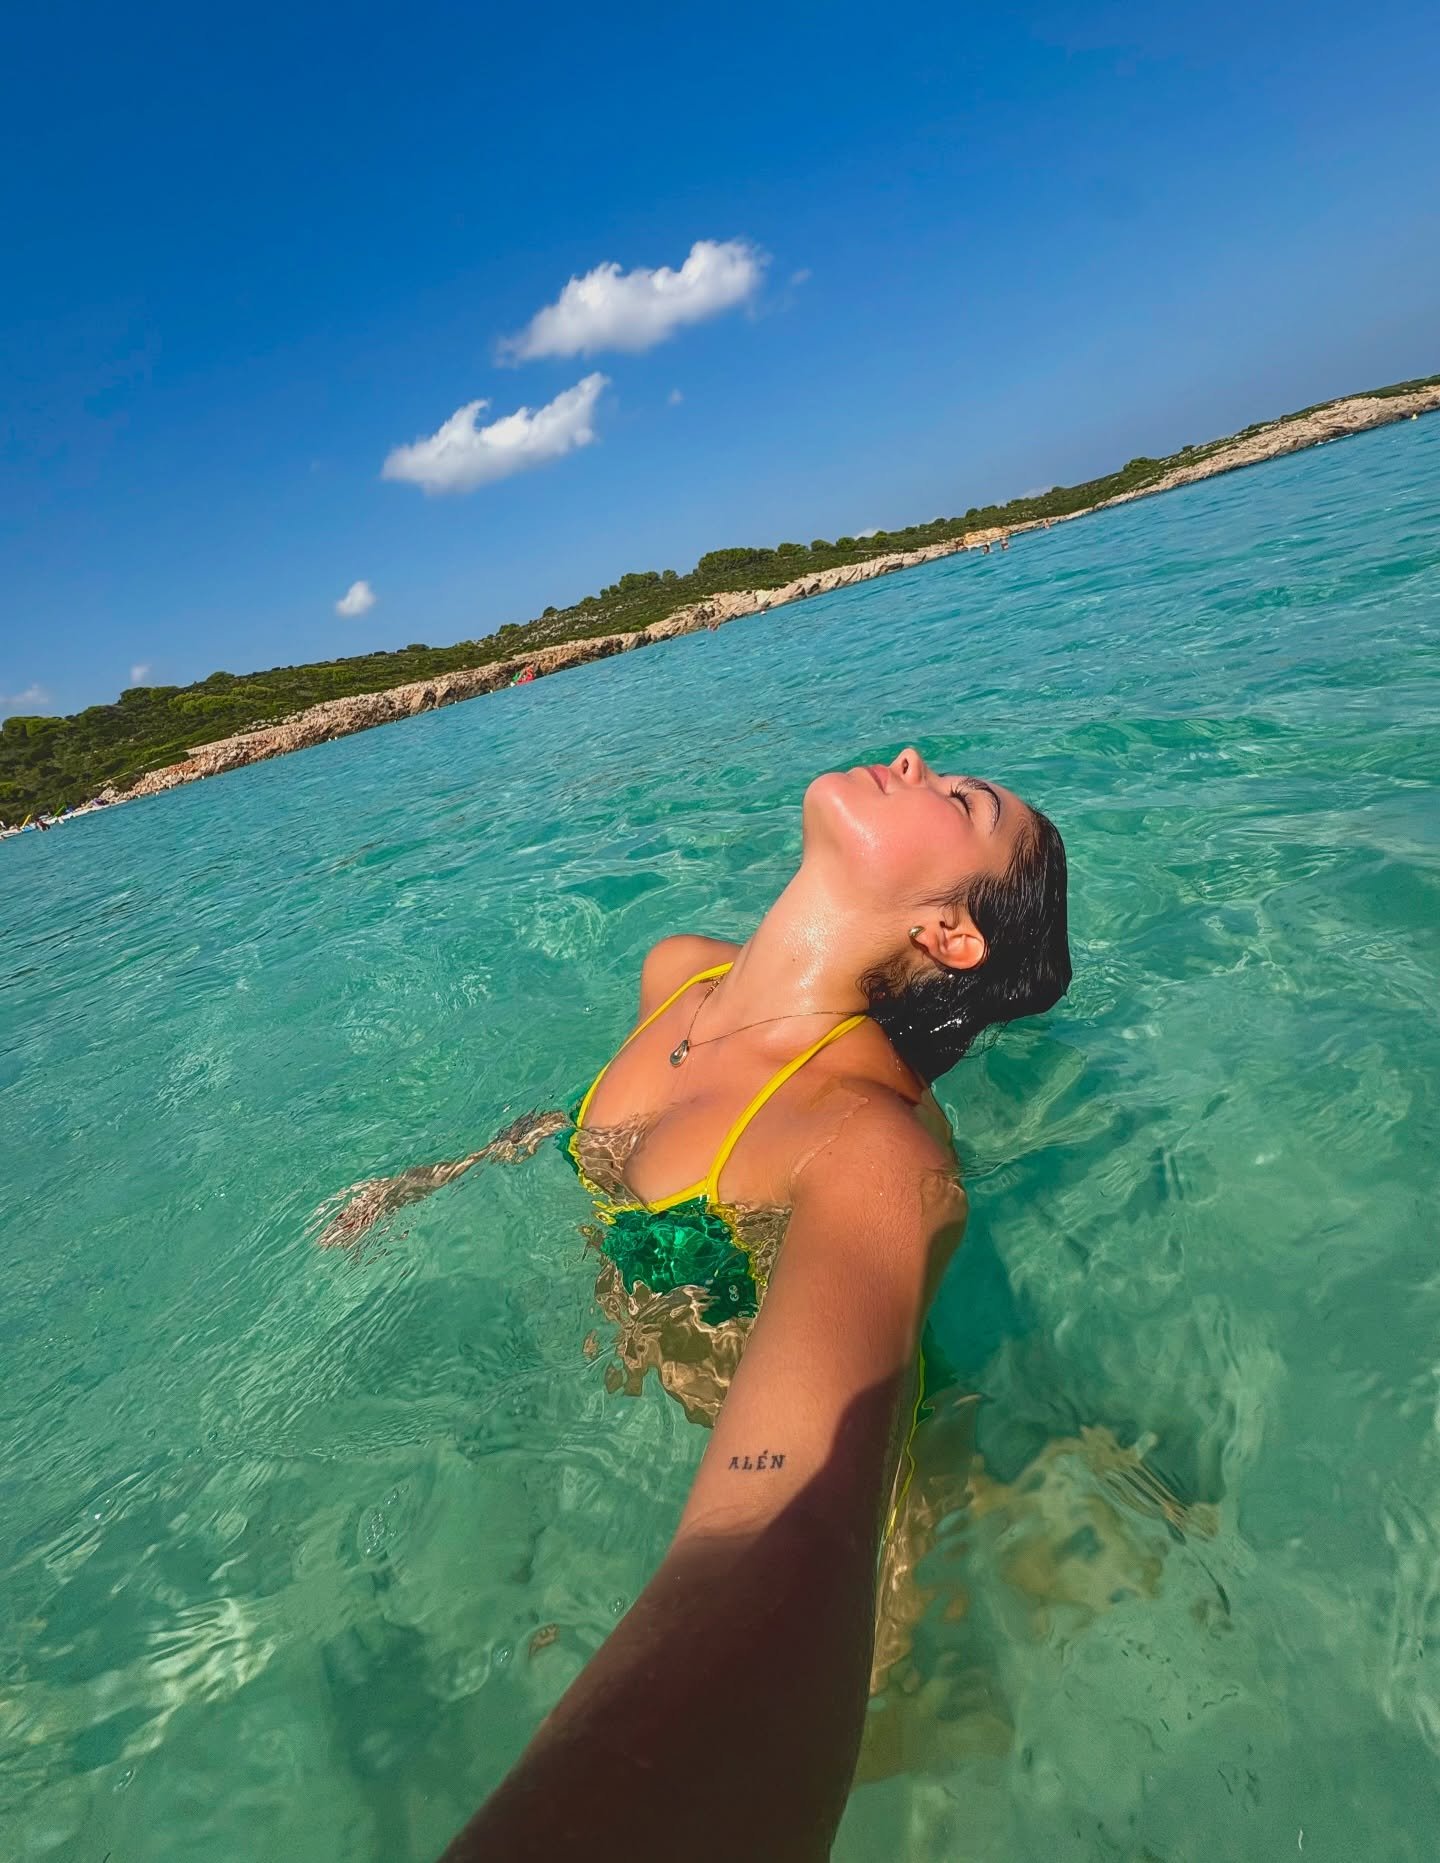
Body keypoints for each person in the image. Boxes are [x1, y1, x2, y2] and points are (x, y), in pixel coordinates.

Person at [320, 747, 1070, 1858]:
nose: (917, 760)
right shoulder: (680, 972)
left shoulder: (869, 1150)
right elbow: (607, 1118)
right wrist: (447, 1172)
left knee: (911, 1752)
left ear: (949, 933)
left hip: (872, 1526)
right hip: (662, 1404)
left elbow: (771, 1522)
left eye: (964, 801)